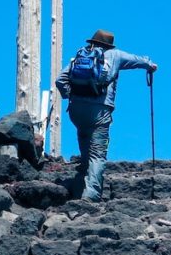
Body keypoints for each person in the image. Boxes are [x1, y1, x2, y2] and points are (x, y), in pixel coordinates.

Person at [55, 29, 157, 201]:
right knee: (97, 154)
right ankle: (91, 195)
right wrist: (150, 65)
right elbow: (138, 61)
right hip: (100, 111)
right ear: (109, 44)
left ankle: (80, 187)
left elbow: (60, 80)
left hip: (76, 111)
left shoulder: (80, 56)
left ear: (93, 41)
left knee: (85, 146)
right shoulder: (115, 55)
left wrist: (70, 96)